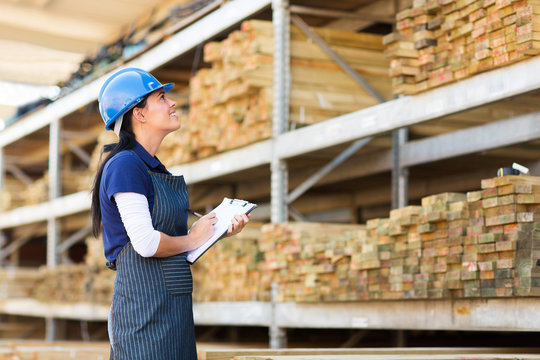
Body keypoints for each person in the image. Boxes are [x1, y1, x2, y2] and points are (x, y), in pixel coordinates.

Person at [91, 67, 250, 359]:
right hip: (144, 316)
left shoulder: (152, 167)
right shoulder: (125, 165)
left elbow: (175, 247)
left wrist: (217, 230)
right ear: (138, 113)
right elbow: (147, 243)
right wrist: (192, 239)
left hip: (173, 312)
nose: (172, 103)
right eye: (162, 98)